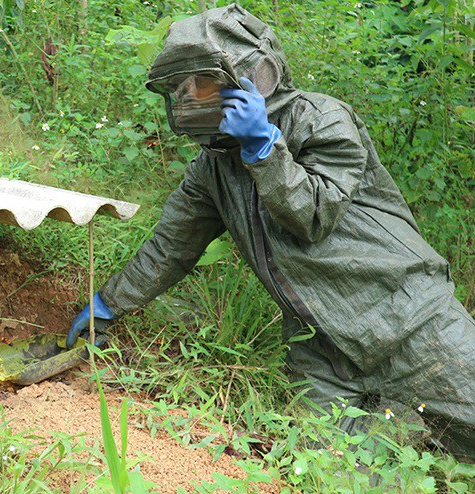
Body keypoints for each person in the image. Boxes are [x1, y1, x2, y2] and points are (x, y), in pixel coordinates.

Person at [65, 4, 474, 458]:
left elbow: (313, 214)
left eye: (205, 85)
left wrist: (263, 147)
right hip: (318, 347)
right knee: (332, 472)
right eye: (182, 90)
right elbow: (171, 247)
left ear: (255, 76)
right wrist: (109, 302)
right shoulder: (211, 168)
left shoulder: (321, 119)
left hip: (408, 318)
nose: (193, 100)